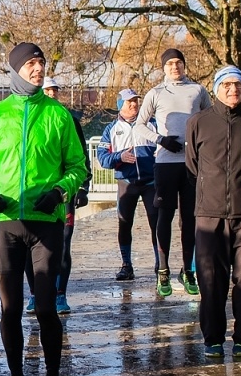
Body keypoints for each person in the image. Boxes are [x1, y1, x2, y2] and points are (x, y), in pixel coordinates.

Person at [0, 41, 89, 376]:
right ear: (15, 70)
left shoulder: (58, 114)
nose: (38, 70)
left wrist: (60, 191)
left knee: (45, 307)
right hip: (7, 223)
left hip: (46, 223)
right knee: (9, 308)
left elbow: (78, 166)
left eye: (41, 64)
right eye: (31, 64)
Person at [186, 67, 241, 359]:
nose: (234, 89)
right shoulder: (199, 122)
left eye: (239, 84)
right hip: (210, 214)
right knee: (210, 279)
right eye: (227, 84)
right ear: (216, 88)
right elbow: (193, 166)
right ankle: (213, 339)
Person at [136, 47, 211, 297]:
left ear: (184, 65)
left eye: (178, 63)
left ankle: (188, 270)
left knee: (189, 218)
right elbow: (140, 124)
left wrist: (201, 147)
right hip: (166, 162)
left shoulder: (197, 90)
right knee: (164, 216)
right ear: (163, 68)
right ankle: (163, 269)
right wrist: (160, 139)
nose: (175, 68)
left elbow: (209, 119)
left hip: (191, 163)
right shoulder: (156, 93)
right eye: (170, 64)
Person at [40, 77, 91, 316]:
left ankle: (60, 294)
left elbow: (81, 157)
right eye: (46, 90)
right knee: (37, 244)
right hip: (38, 191)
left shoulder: (69, 119)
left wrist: (82, 187)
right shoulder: (32, 117)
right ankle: (35, 293)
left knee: (63, 242)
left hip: (65, 191)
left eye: (54, 90)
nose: (51, 94)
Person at [98, 88, 159, 281]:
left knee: (156, 224)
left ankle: (160, 264)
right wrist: (120, 156)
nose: (134, 105)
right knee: (124, 223)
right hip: (127, 182)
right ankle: (126, 265)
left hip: (151, 182)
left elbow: (165, 148)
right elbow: (102, 159)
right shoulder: (111, 129)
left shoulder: (152, 124)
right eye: (129, 102)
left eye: (135, 101)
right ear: (120, 106)